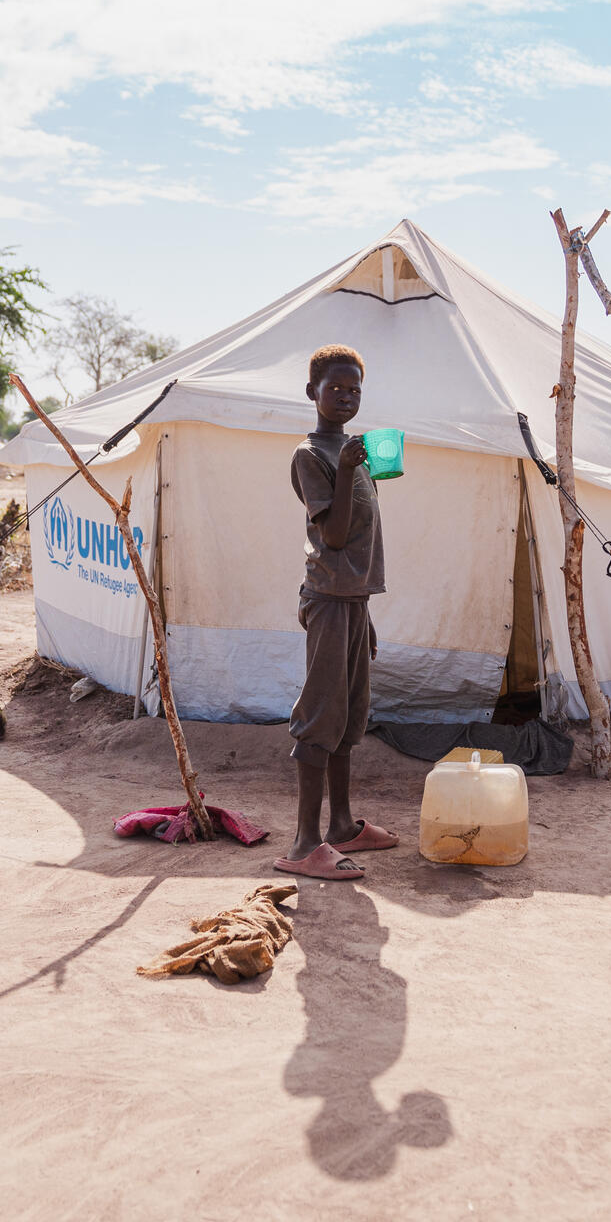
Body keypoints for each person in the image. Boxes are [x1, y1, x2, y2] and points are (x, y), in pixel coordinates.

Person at [274, 344, 399, 880]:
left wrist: (364, 611)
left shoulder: (354, 450)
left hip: (352, 602)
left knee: (349, 715)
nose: (346, 396)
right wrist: (347, 471)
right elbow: (335, 533)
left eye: (354, 390)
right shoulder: (313, 456)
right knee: (321, 716)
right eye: (335, 388)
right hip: (326, 601)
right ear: (313, 394)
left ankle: (342, 826)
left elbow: (355, 549)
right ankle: (304, 845)